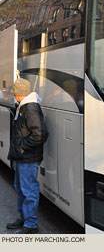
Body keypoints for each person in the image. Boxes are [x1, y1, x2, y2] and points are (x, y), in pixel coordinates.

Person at [6, 78, 48, 234]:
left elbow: (41, 133)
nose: (13, 96)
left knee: (28, 190)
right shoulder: (23, 106)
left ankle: (31, 224)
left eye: (14, 93)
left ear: (18, 94)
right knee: (21, 188)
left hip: (28, 158)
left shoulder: (30, 108)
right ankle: (24, 218)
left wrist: (23, 146)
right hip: (22, 158)